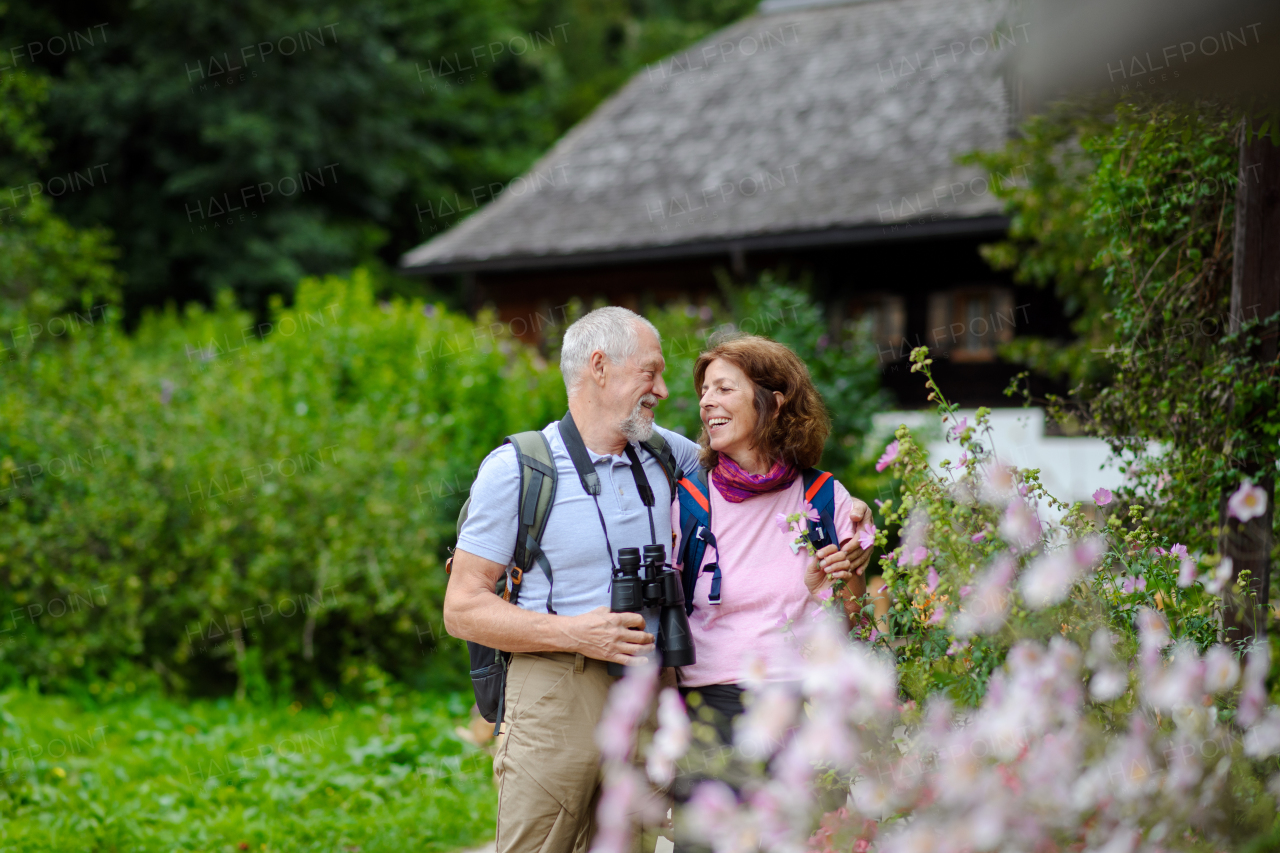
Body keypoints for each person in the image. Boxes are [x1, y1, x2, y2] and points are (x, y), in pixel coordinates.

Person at [444, 309, 870, 853]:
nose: (666, 391)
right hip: (556, 681)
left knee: (631, 841)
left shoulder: (668, 454)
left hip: (648, 685)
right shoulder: (519, 469)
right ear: (599, 367)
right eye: (651, 373)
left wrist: (846, 508)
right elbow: (460, 609)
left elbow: (763, 465)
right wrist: (577, 633)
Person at [669, 335, 872, 835]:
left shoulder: (825, 497)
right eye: (704, 391)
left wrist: (846, 578)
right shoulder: (689, 502)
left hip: (803, 704)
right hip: (711, 705)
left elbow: (851, 612)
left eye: (724, 388)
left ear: (774, 401)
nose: (706, 402)